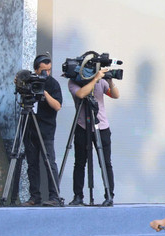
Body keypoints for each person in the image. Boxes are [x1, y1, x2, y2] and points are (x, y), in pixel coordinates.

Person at [68, 62, 120, 206]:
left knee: (106, 163)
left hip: (101, 126)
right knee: (79, 163)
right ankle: (78, 196)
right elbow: (81, 94)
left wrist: (110, 81)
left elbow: (116, 95)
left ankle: (109, 195)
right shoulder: (73, 81)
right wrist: (95, 79)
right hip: (82, 126)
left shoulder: (101, 81)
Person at [24, 53, 64, 207]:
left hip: (46, 129)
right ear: (36, 69)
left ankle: (54, 196)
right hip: (29, 128)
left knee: (49, 162)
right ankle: (35, 197)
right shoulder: (30, 81)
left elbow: (57, 106)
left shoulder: (53, 84)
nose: (46, 73)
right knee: (32, 164)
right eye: (43, 70)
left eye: (49, 70)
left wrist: (44, 92)